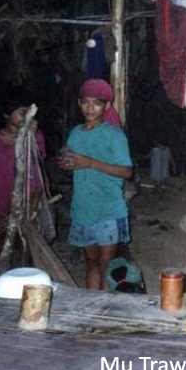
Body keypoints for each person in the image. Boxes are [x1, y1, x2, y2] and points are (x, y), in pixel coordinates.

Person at [58, 79, 133, 290]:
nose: (90, 108)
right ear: (79, 103)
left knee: (105, 265)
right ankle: (90, 304)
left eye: (97, 103)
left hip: (109, 209)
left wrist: (90, 163)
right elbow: (72, 167)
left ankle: (103, 307)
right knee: (90, 262)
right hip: (83, 209)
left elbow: (127, 172)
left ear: (106, 106)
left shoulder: (115, 135)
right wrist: (66, 165)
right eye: (86, 102)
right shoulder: (75, 133)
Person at [0, 96, 46, 237]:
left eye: (29, 113)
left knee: (28, 238)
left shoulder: (36, 135)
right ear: (6, 114)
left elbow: (38, 162)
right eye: (22, 113)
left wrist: (31, 137)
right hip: (1, 195)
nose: (27, 117)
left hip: (29, 196)